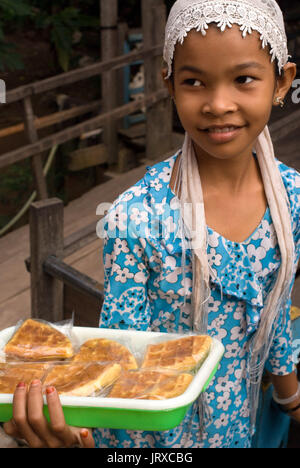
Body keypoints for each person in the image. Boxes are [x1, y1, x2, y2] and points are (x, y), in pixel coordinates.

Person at [4, 0, 300, 448]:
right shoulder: (138, 218)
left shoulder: (291, 198)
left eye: (243, 79)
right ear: (170, 85)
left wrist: (290, 397)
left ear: (282, 82)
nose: (218, 104)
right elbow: (119, 358)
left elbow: (273, 311)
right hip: (152, 442)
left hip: (239, 427)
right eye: (194, 82)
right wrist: (76, 438)